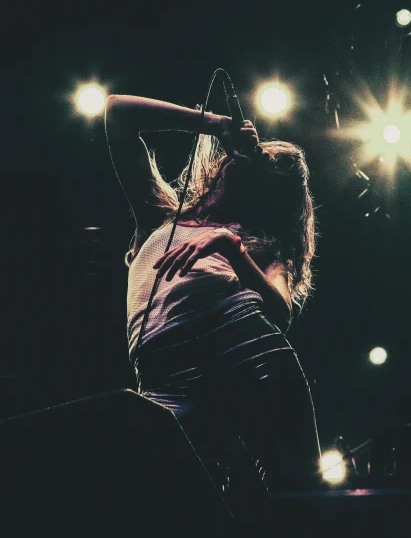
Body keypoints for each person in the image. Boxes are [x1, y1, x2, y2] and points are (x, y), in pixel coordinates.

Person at [104, 93, 323, 495]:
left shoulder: (261, 244)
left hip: (246, 345)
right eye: (258, 151)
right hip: (163, 371)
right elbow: (117, 112)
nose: (253, 155)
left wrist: (229, 245)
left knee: (299, 491)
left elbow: (281, 312)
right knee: (179, 499)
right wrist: (213, 123)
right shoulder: (162, 214)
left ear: (265, 193)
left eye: (265, 163)